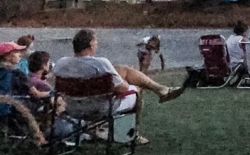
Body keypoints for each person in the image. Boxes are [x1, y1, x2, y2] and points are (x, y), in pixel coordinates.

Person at [52, 29, 185, 142]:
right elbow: (123, 88)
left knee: (122, 69)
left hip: (72, 108)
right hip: (100, 108)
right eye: (96, 43)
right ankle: (134, 134)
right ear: (91, 45)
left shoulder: (61, 63)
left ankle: (161, 89)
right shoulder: (101, 64)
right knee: (135, 91)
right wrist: (126, 82)